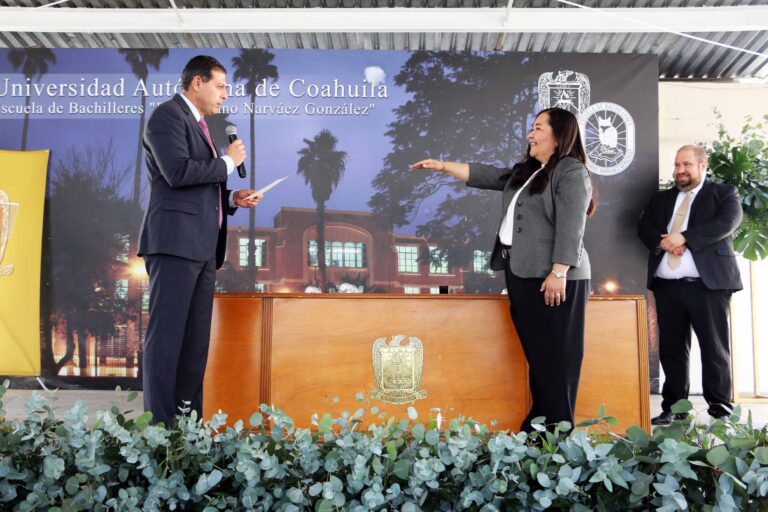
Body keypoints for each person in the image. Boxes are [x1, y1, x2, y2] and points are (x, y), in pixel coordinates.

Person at [411, 107, 596, 432]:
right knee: (540, 359)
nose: (531, 134)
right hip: (522, 273)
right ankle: (541, 427)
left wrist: (559, 272)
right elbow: (483, 174)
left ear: (558, 135)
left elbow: (571, 225)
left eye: (538, 128)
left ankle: (559, 435)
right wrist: (442, 166)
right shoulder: (528, 171)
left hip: (554, 278)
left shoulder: (570, 170)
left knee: (558, 360)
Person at [137, 55, 263, 426]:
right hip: (174, 245)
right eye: (221, 86)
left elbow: (198, 190)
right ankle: (160, 432)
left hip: (204, 250)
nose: (226, 95)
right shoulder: (167, 117)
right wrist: (226, 162)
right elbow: (175, 173)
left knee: (193, 347)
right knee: (166, 343)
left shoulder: (202, 127)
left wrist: (232, 198)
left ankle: (188, 430)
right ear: (197, 83)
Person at [637, 144, 742, 426]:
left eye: (686, 165)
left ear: (702, 165)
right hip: (667, 286)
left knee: (714, 347)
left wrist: (683, 238)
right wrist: (664, 241)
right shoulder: (661, 199)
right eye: (676, 165)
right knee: (671, 349)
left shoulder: (723, 193)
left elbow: (728, 222)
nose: (680, 170)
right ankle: (674, 406)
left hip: (708, 286)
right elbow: (643, 226)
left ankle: (720, 406)